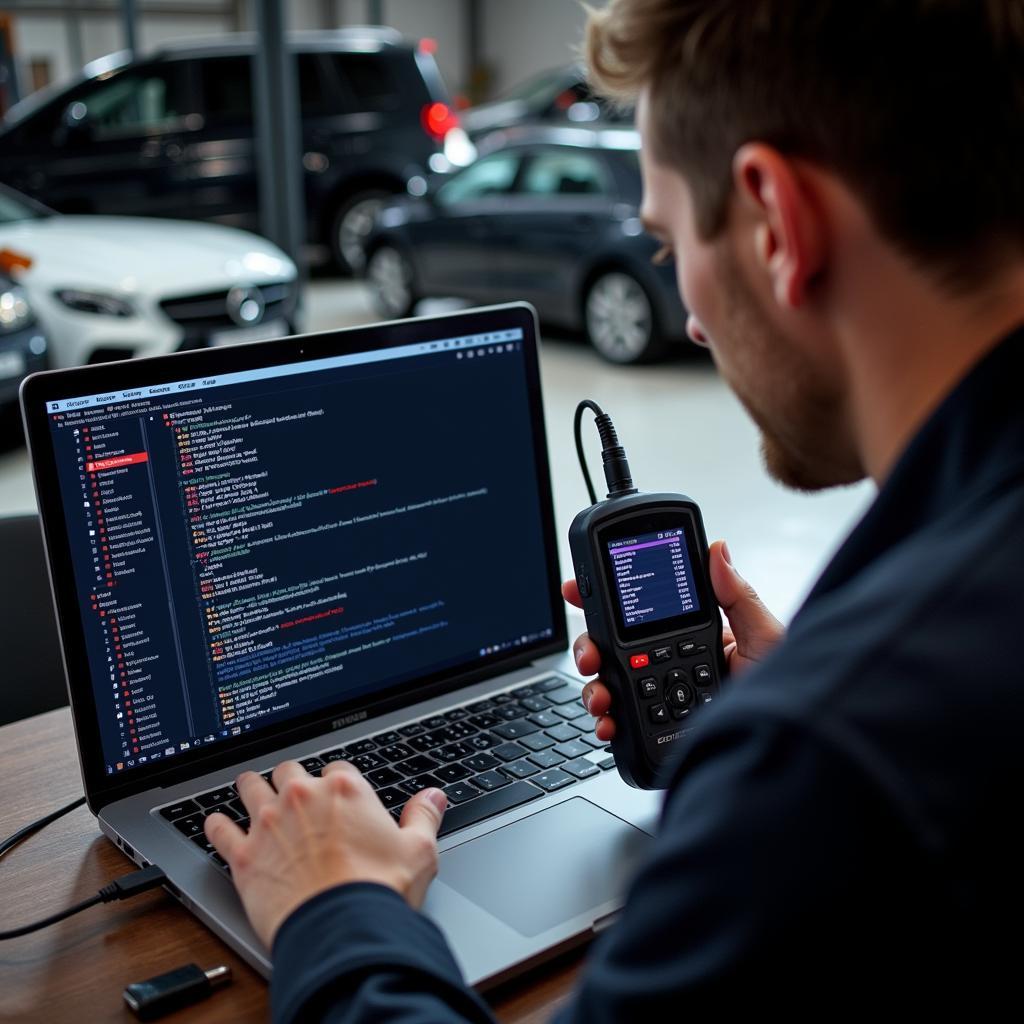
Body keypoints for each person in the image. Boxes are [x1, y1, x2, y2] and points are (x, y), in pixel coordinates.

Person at [205, 0, 1024, 1016]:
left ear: (776, 223)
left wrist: (336, 912)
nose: (684, 311)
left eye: (670, 239)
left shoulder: (841, 752)